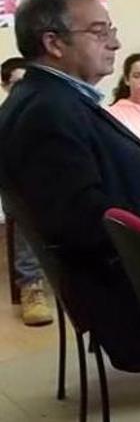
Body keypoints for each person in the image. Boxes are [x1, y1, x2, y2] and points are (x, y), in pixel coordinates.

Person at [0, 0, 140, 368]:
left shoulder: (46, 100)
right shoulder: (48, 111)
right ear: (54, 43)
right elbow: (85, 220)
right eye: (99, 32)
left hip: (139, 274)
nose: (115, 43)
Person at [0, 57, 52, 326]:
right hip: (24, 194)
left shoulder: (50, 112)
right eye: (16, 84)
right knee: (26, 207)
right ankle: (32, 285)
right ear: (5, 86)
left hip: (56, 190)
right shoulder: (5, 120)